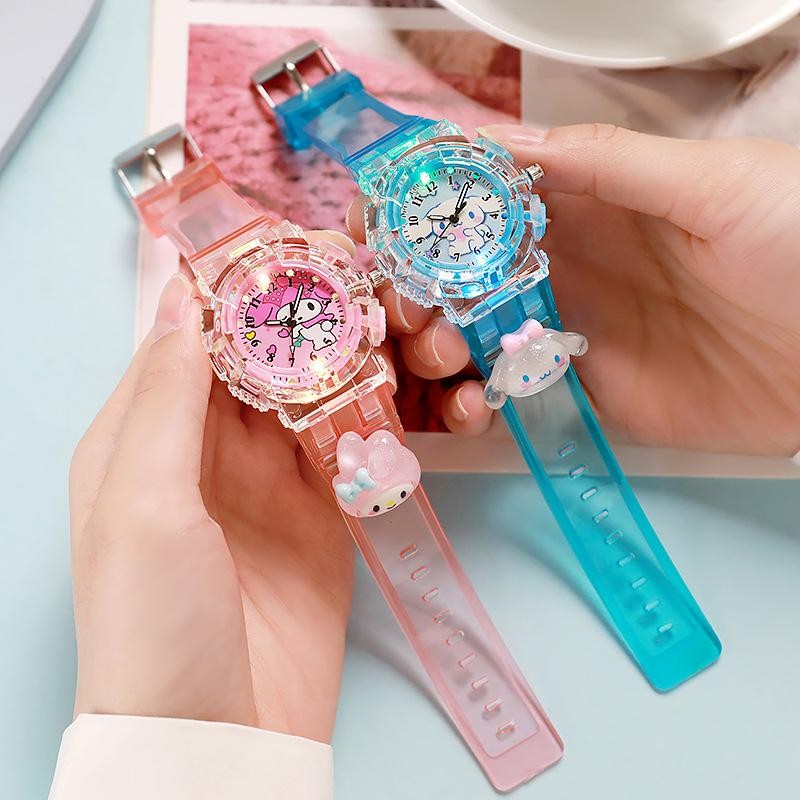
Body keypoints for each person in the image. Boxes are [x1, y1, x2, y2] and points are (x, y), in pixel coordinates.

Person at [49, 125, 800, 800]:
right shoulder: (262, 307)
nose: (298, 321)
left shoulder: (398, 226)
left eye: (461, 209)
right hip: (332, 405)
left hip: (405, 359)